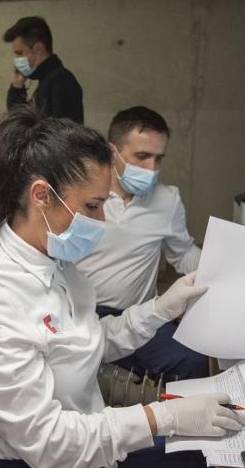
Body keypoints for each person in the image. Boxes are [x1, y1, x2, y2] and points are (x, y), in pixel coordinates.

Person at [0, 107, 245, 468]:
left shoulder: (55, 262)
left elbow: (89, 342)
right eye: (91, 207)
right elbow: (47, 444)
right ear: (41, 196)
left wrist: (160, 309)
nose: (102, 221)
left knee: (206, 452)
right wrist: (159, 418)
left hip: (74, 447)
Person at [77, 106, 208, 381]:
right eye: (142, 156)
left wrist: (221, 270)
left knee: (194, 360)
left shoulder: (167, 200)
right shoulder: (83, 195)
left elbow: (183, 253)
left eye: (158, 159)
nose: (151, 169)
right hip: (81, 311)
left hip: (140, 312)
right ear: (113, 152)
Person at [3, 16, 84, 123]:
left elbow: (60, 135)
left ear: (38, 49)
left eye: (19, 53)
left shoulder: (61, 80)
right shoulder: (47, 81)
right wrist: (17, 87)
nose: (17, 60)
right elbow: (19, 123)